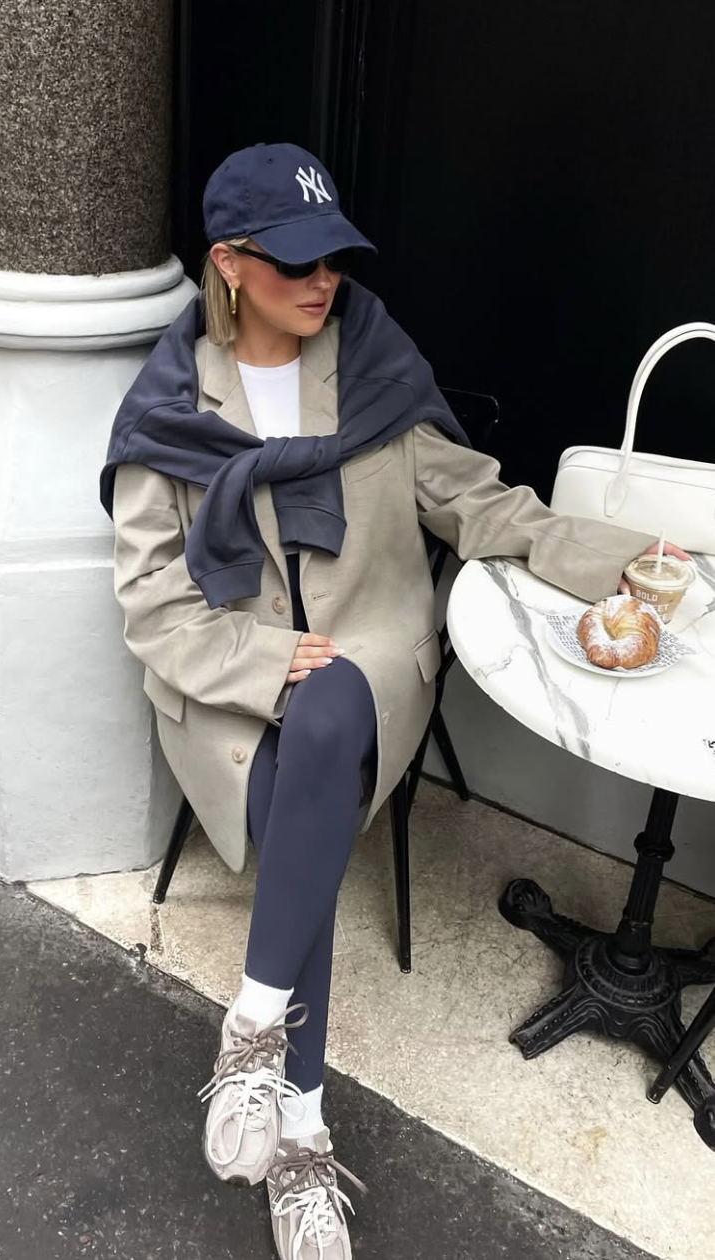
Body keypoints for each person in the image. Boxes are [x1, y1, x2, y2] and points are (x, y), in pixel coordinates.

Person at [100, 142, 687, 1259]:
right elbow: (153, 607)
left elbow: (484, 509)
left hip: (365, 664)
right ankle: (302, 1129)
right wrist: (264, 659)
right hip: (224, 682)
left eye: (335, 258)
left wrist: (628, 558)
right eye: (295, 264)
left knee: (324, 716)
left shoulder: (367, 360)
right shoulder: (168, 407)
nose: (325, 282)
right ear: (228, 265)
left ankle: (254, 1031)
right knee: (298, 811)